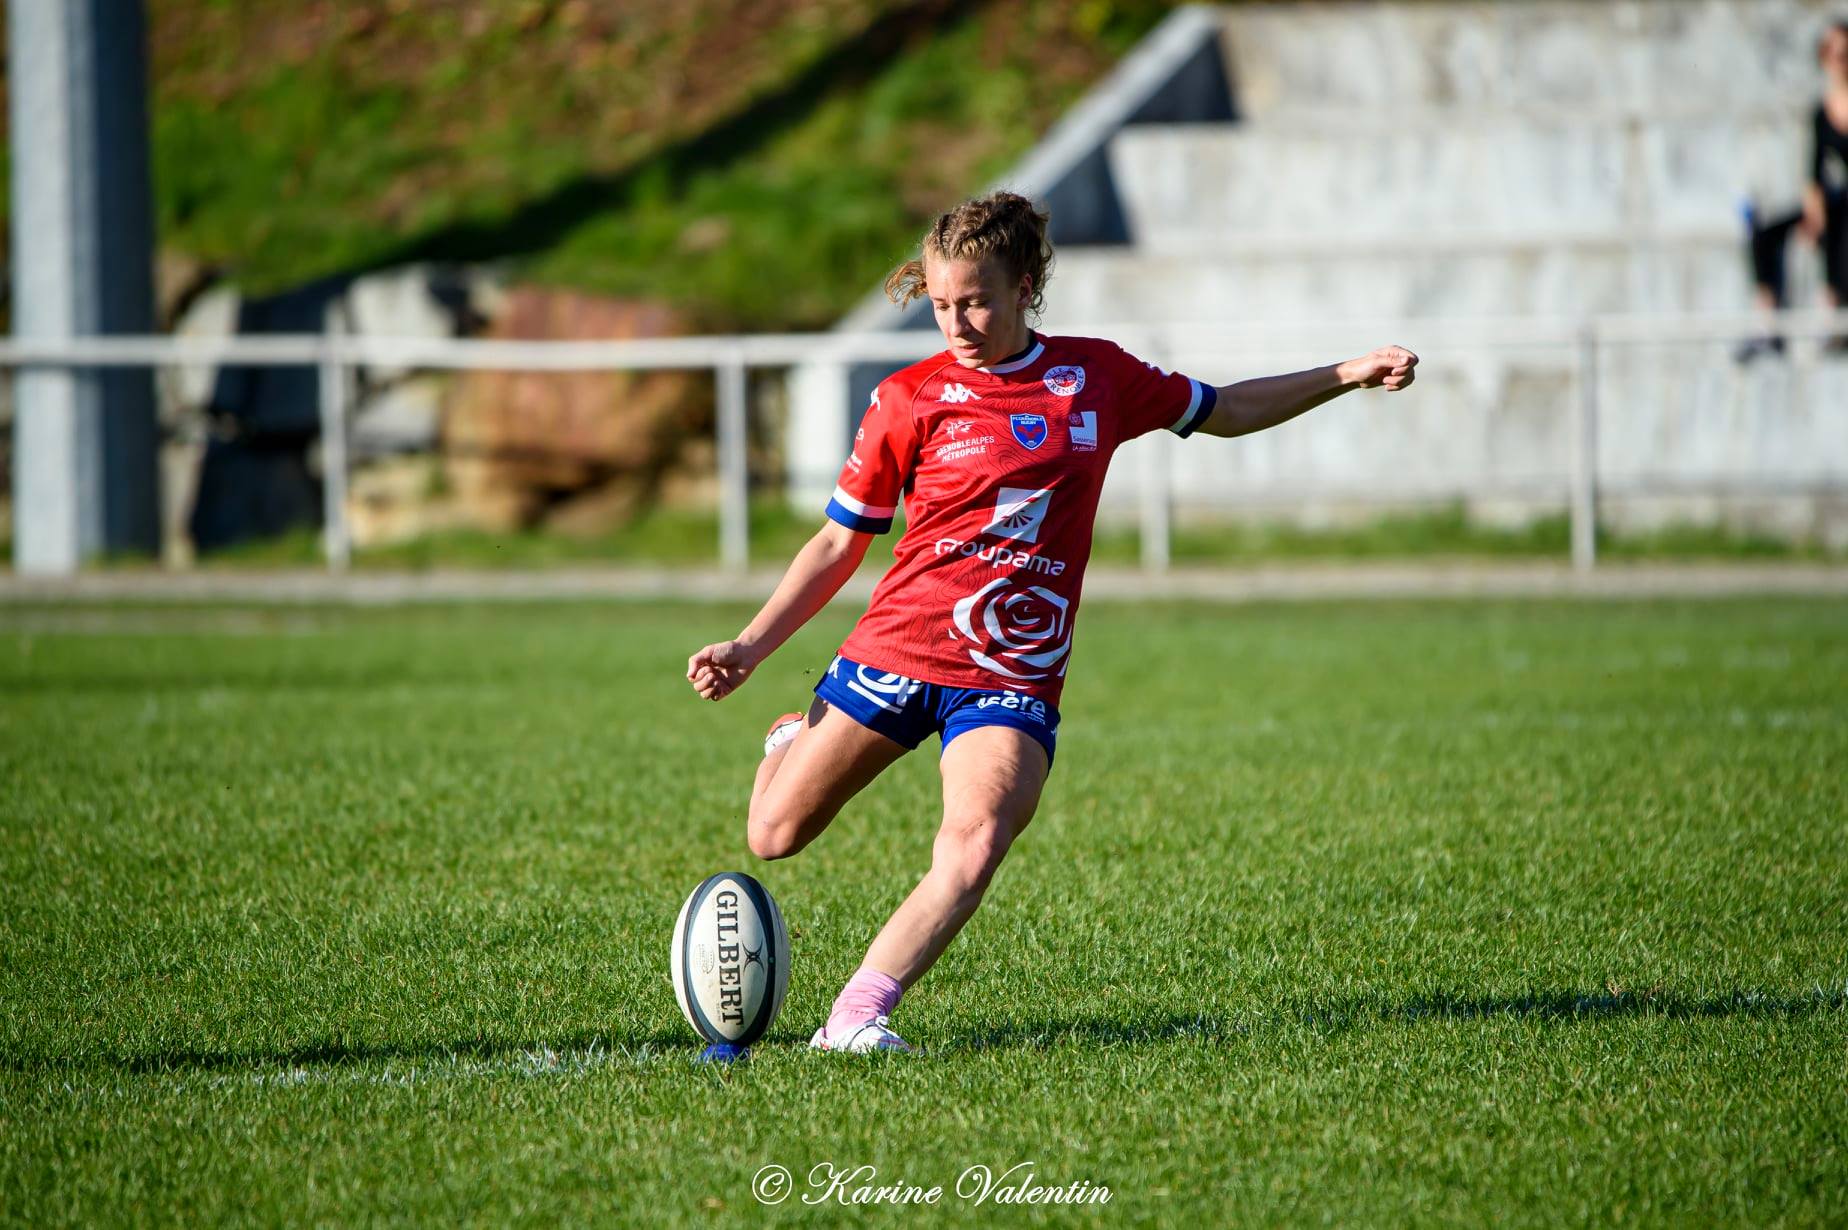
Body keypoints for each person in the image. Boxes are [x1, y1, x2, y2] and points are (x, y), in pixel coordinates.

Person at [685, 191, 1417, 1053]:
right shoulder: (906, 398)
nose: (956, 322)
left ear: (1025, 285)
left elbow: (1227, 410)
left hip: (1012, 672)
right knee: (773, 837)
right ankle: (788, 742)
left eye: (977, 300)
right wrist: (750, 645)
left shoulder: (1096, 377)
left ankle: (856, 1018)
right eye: (941, 303)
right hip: (898, 648)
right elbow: (839, 543)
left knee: (977, 839)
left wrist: (1345, 374)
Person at [1739, 18, 1848, 360]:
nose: (1839, 59)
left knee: (1840, 221)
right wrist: (1813, 211)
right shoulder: (1822, 111)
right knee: (1766, 232)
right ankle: (1767, 319)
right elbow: (1814, 170)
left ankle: (1833, 310)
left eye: (1845, 52)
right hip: (1834, 201)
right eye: (1832, 52)